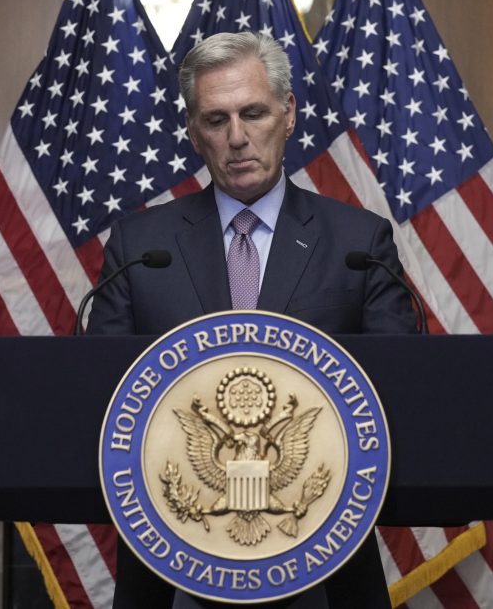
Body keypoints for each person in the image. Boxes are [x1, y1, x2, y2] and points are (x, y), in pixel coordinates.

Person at [88, 32, 416, 608]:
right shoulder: (140, 247)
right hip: (172, 570)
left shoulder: (357, 242)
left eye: (253, 113)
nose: (237, 138)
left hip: (323, 564)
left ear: (287, 115)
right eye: (216, 120)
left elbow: (396, 404)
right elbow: (103, 405)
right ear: (193, 131)